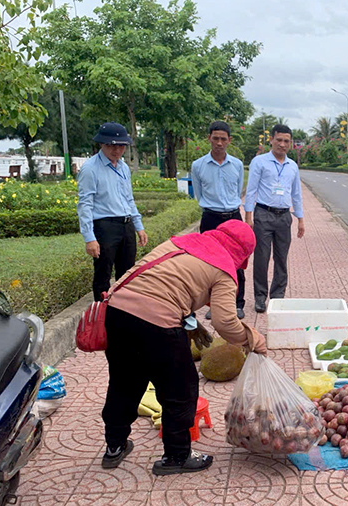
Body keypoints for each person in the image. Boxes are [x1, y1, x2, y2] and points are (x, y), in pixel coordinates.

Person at [100, 220, 267, 476]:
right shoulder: (223, 268)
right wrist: (253, 338)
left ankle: (114, 446)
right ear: (242, 254)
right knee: (180, 389)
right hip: (157, 325)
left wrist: (188, 320)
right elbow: (224, 323)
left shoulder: (180, 242)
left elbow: (161, 282)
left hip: (116, 312)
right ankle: (177, 457)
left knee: (125, 382)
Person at [77, 122, 148, 302]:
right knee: (103, 274)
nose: (116, 150)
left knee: (127, 275)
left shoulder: (123, 167)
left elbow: (128, 199)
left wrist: (138, 226)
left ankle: (123, 313)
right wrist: (89, 238)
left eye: (121, 146)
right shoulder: (90, 169)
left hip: (126, 224)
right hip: (105, 226)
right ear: (102, 144)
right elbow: (85, 204)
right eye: (111, 145)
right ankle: (102, 318)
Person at [244, 124, 305, 313]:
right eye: (279, 140)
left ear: (291, 144)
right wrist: (248, 216)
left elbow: (296, 194)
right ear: (271, 140)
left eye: (287, 141)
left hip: (284, 216)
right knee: (261, 258)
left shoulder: (292, 166)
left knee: (281, 258)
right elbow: (251, 189)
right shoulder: (260, 162)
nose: (282, 144)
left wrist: (300, 218)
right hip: (263, 214)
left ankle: (278, 297)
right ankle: (260, 297)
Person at [191, 120, 247, 319]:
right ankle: (213, 306)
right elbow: (198, 194)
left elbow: (238, 189)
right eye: (215, 138)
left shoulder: (237, 165)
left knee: (238, 262)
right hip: (211, 217)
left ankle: (238, 303)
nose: (219, 143)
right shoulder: (198, 166)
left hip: (233, 217)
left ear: (229, 140)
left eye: (223, 139)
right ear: (209, 139)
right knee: (209, 263)